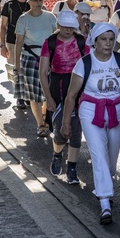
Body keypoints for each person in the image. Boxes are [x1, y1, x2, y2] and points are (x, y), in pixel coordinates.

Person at [60, 23, 120, 225]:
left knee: (111, 159)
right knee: (98, 155)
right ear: (94, 41)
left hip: (117, 112)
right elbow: (71, 96)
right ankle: (105, 203)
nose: (108, 43)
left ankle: (104, 184)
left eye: (111, 39)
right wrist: (66, 123)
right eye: (103, 39)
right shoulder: (84, 63)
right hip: (91, 112)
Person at [39, 10, 90, 185]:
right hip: (58, 88)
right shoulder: (50, 42)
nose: (68, 30)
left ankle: (72, 169)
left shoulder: (82, 42)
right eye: (65, 26)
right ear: (59, 25)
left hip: (78, 88)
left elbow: (91, 64)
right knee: (61, 130)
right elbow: (43, 72)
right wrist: (48, 98)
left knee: (76, 130)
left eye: (71, 27)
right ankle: (57, 153)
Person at [14, 0, 58, 136]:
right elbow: (19, 42)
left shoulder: (50, 17)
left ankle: (45, 118)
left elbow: (57, 38)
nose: (39, 3)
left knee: (49, 92)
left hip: (49, 59)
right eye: (35, 0)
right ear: (29, 3)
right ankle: (40, 124)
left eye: (40, 0)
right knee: (34, 94)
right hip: (30, 58)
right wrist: (17, 64)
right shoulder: (23, 19)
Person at [0, 0, 30, 109]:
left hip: (29, 42)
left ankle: (27, 95)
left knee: (28, 69)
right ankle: (19, 97)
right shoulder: (9, 4)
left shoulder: (31, 3)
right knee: (16, 69)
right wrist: (2, 45)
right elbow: (3, 26)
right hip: (12, 41)